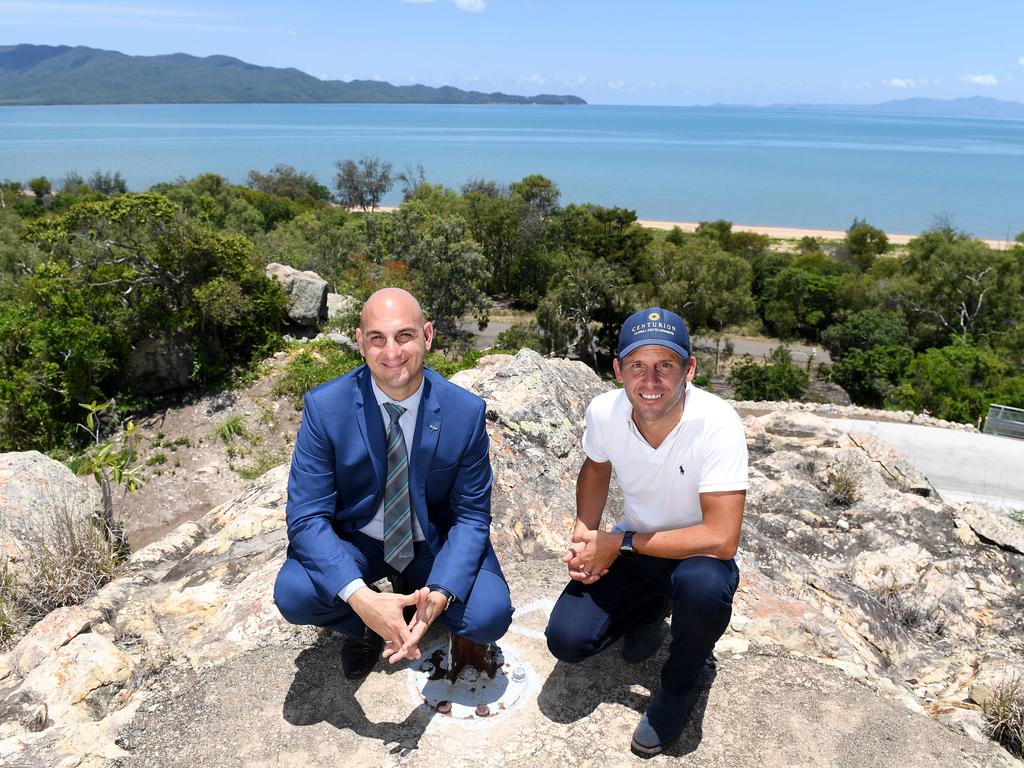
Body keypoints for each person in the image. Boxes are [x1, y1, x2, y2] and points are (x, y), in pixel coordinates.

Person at [274, 287, 513, 678]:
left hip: (428, 541)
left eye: (404, 335)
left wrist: (440, 595)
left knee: (489, 615)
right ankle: (368, 627)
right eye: (377, 339)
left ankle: (416, 610)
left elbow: (471, 516)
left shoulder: (464, 413)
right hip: (358, 538)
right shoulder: (325, 407)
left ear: (428, 336)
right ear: (359, 342)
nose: (392, 353)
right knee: (295, 594)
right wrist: (361, 598)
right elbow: (305, 516)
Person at [544, 307, 748, 757]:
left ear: (689, 369)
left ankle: (679, 684)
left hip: (696, 556)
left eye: (666, 366)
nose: (650, 380)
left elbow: (721, 536)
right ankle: (650, 611)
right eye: (637, 365)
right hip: (636, 546)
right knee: (568, 640)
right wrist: (586, 533)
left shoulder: (717, 423)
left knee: (702, 587)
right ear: (618, 370)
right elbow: (596, 468)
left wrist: (619, 543)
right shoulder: (605, 412)